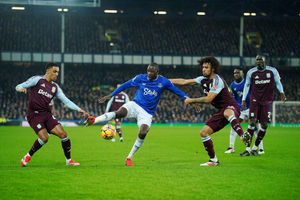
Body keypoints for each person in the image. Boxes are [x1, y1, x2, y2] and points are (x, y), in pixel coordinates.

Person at [84, 63, 188, 166]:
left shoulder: (164, 82)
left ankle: (129, 158)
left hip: (147, 113)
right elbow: (126, 84)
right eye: (148, 71)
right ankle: (94, 120)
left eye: (151, 72)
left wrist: (189, 100)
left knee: (143, 132)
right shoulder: (140, 78)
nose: (149, 73)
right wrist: (111, 95)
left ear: (157, 72)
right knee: (119, 113)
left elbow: (178, 92)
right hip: (135, 104)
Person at [170, 56, 251, 166]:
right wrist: (166, 81)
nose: (203, 69)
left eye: (206, 67)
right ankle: (213, 160)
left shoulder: (217, 80)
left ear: (213, 69)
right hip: (221, 111)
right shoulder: (202, 79)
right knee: (204, 133)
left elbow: (209, 99)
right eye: (203, 67)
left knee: (227, 112)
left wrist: (191, 100)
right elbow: (184, 82)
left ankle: (243, 136)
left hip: (231, 107)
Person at [16, 62, 88, 167]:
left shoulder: (55, 87)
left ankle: (69, 160)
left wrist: (79, 109)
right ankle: (27, 156)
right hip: (34, 115)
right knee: (44, 138)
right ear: (47, 71)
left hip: (47, 114)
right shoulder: (37, 80)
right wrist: (21, 89)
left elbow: (66, 101)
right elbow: (19, 86)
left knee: (64, 135)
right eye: (55, 72)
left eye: (58, 72)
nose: (57, 74)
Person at [240, 55, 286, 156]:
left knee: (264, 125)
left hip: (266, 101)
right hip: (254, 100)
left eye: (260, 60)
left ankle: (255, 148)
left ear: (265, 61)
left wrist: (282, 92)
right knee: (252, 123)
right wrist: (243, 99)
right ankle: (247, 149)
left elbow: (278, 82)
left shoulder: (272, 71)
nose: (258, 61)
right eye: (257, 60)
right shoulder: (251, 72)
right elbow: (247, 85)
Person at [225, 67, 264, 154]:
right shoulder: (232, 85)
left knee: (256, 126)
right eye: (235, 73)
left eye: (238, 73)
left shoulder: (248, 81)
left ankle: (260, 148)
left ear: (242, 73)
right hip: (240, 109)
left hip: (251, 107)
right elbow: (234, 97)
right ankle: (231, 147)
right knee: (234, 125)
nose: (236, 74)